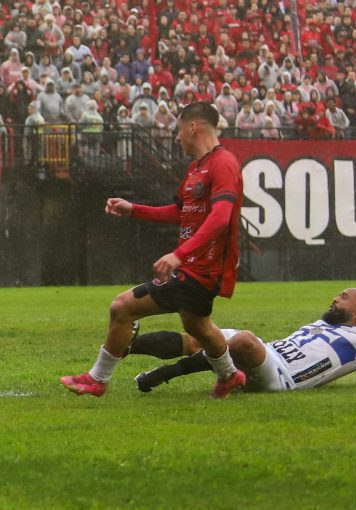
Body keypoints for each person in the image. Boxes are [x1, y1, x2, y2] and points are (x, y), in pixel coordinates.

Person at [60, 101, 247, 398]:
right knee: (198, 326)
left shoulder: (223, 164)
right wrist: (134, 209)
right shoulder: (196, 168)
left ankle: (98, 379)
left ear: (192, 127)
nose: (176, 138)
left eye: (178, 131)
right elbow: (178, 212)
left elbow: (221, 219)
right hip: (194, 268)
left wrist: (179, 255)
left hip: (200, 270)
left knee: (122, 307)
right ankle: (228, 375)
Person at [130, 288, 356, 393]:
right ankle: (129, 344)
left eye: (344, 297)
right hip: (270, 353)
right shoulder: (324, 322)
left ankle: (160, 376)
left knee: (242, 340)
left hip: (282, 377)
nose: (336, 299)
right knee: (204, 334)